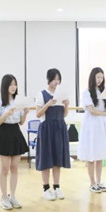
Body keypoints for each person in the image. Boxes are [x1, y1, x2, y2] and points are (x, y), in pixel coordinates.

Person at [0, 74, 30, 210]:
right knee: (4, 168)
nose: (13, 87)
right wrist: (6, 114)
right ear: (5, 86)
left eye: (15, 84)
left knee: (14, 167)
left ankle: (12, 196)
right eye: (11, 84)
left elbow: (21, 122)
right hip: (4, 133)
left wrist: (25, 113)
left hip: (15, 132)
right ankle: (4, 197)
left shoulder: (17, 101)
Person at [77, 67, 106, 193]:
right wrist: (104, 114)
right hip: (91, 125)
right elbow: (91, 110)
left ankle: (99, 182)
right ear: (93, 77)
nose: (99, 80)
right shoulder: (87, 92)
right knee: (91, 154)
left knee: (100, 155)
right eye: (98, 77)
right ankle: (92, 183)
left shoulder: (104, 92)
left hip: (101, 125)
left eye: (101, 77)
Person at [35, 68, 70, 201]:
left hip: (59, 127)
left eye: (58, 79)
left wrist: (66, 105)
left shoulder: (61, 94)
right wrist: (48, 104)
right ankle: (46, 188)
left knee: (57, 158)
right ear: (48, 79)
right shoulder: (42, 94)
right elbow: (38, 114)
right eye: (54, 79)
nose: (57, 82)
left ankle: (56, 187)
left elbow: (64, 114)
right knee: (46, 158)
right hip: (47, 129)